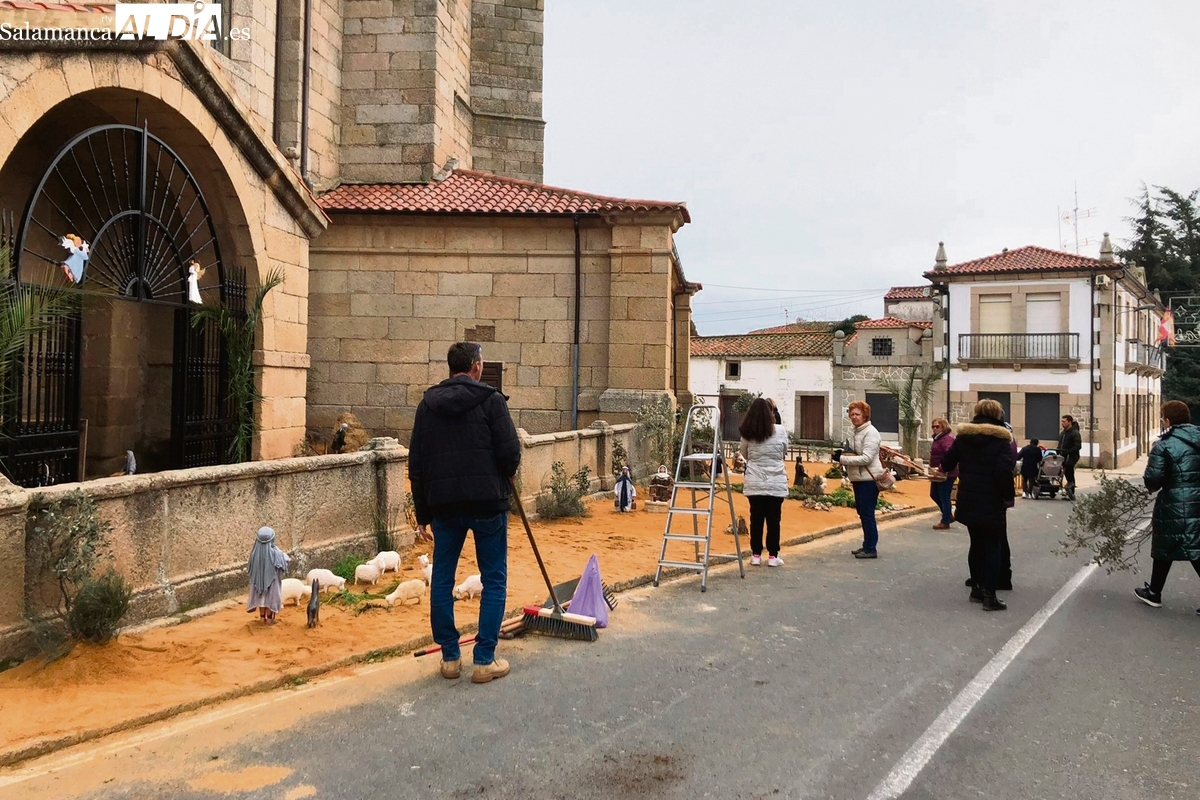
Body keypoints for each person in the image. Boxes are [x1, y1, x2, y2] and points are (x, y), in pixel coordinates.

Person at [409, 342, 521, 684]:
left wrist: (423, 513)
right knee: (494, 578)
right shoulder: (491, 401)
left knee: (442, 579)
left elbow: (417, 465)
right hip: (487, 503)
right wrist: (508, 471)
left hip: (445, 506)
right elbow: (510, 452)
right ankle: (484, 659)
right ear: (476, 366)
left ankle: (450, 658)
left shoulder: (427, 406)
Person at [940, 399, 1015, 611]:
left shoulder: (964, 438)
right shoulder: (1001, 441)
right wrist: (1007, 495)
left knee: (976, 544)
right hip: (992, 500)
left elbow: (947, 462)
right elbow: (1003, 473)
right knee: (993, 546)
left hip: (968, 498)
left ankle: (977, 589)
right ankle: (990, 596)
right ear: (998, 415)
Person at [1134, 400, 1200, 611]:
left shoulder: (1164, 445)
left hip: (1176, 504)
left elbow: (1153, 480)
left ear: (1168, 421)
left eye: (1162, 419)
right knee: (1176, 547)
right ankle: (1153, 591)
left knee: (1184, 547)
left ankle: (1154, 593)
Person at [738, 397, 789, 566]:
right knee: (774, 519)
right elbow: (784, 451)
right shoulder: (780, 431)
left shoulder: (747, 432)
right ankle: (773, 556)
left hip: (755, 481)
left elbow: (744, 454)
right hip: (775, 481)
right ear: (771, 413)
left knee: (756, 518)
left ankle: (756, 555)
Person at [838, 400, 883, 559]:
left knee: (868, 513)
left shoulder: (871, 432)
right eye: (852, 415)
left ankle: (871, 548)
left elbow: (867, 458)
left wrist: (843, 459)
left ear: (865, 415)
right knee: (863, 512)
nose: (854, 417)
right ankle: (867, 545)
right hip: (858, 478)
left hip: (869, 479)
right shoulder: (856, 432)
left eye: (857, 414)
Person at [246, 526, 289, 625]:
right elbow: (285, 560)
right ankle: (270, 619)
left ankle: (262, 618)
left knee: (261, 600)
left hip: (258, 585)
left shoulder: (254, 554)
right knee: (270, 599)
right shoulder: (276, 553)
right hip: (272, 584)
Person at [928, 417, 957, 530]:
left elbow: (950, 456)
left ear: (943, 427)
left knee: (944, 496)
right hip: (938, 473)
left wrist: (941, 468)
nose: (934, 429)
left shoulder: (947, 439)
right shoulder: (938, 439)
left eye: (937, 426)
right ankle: (948, 515)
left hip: (946, 473)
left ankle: (945, 520)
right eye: (933, 427)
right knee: (934, 494)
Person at [1058, 415, 1082, 500]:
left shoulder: (1074, 433)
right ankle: (1069, 491)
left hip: (1072, 456)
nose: (1062, 423)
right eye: (1062, 421)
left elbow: (1078, 446)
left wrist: (1069, 451)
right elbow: (1060, 444)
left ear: (1069, 422)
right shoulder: (1063, 433)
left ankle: (1071, 490)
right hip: (1063, 456)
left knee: (1069, 470)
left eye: (1064, 421)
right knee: (1066, 473)